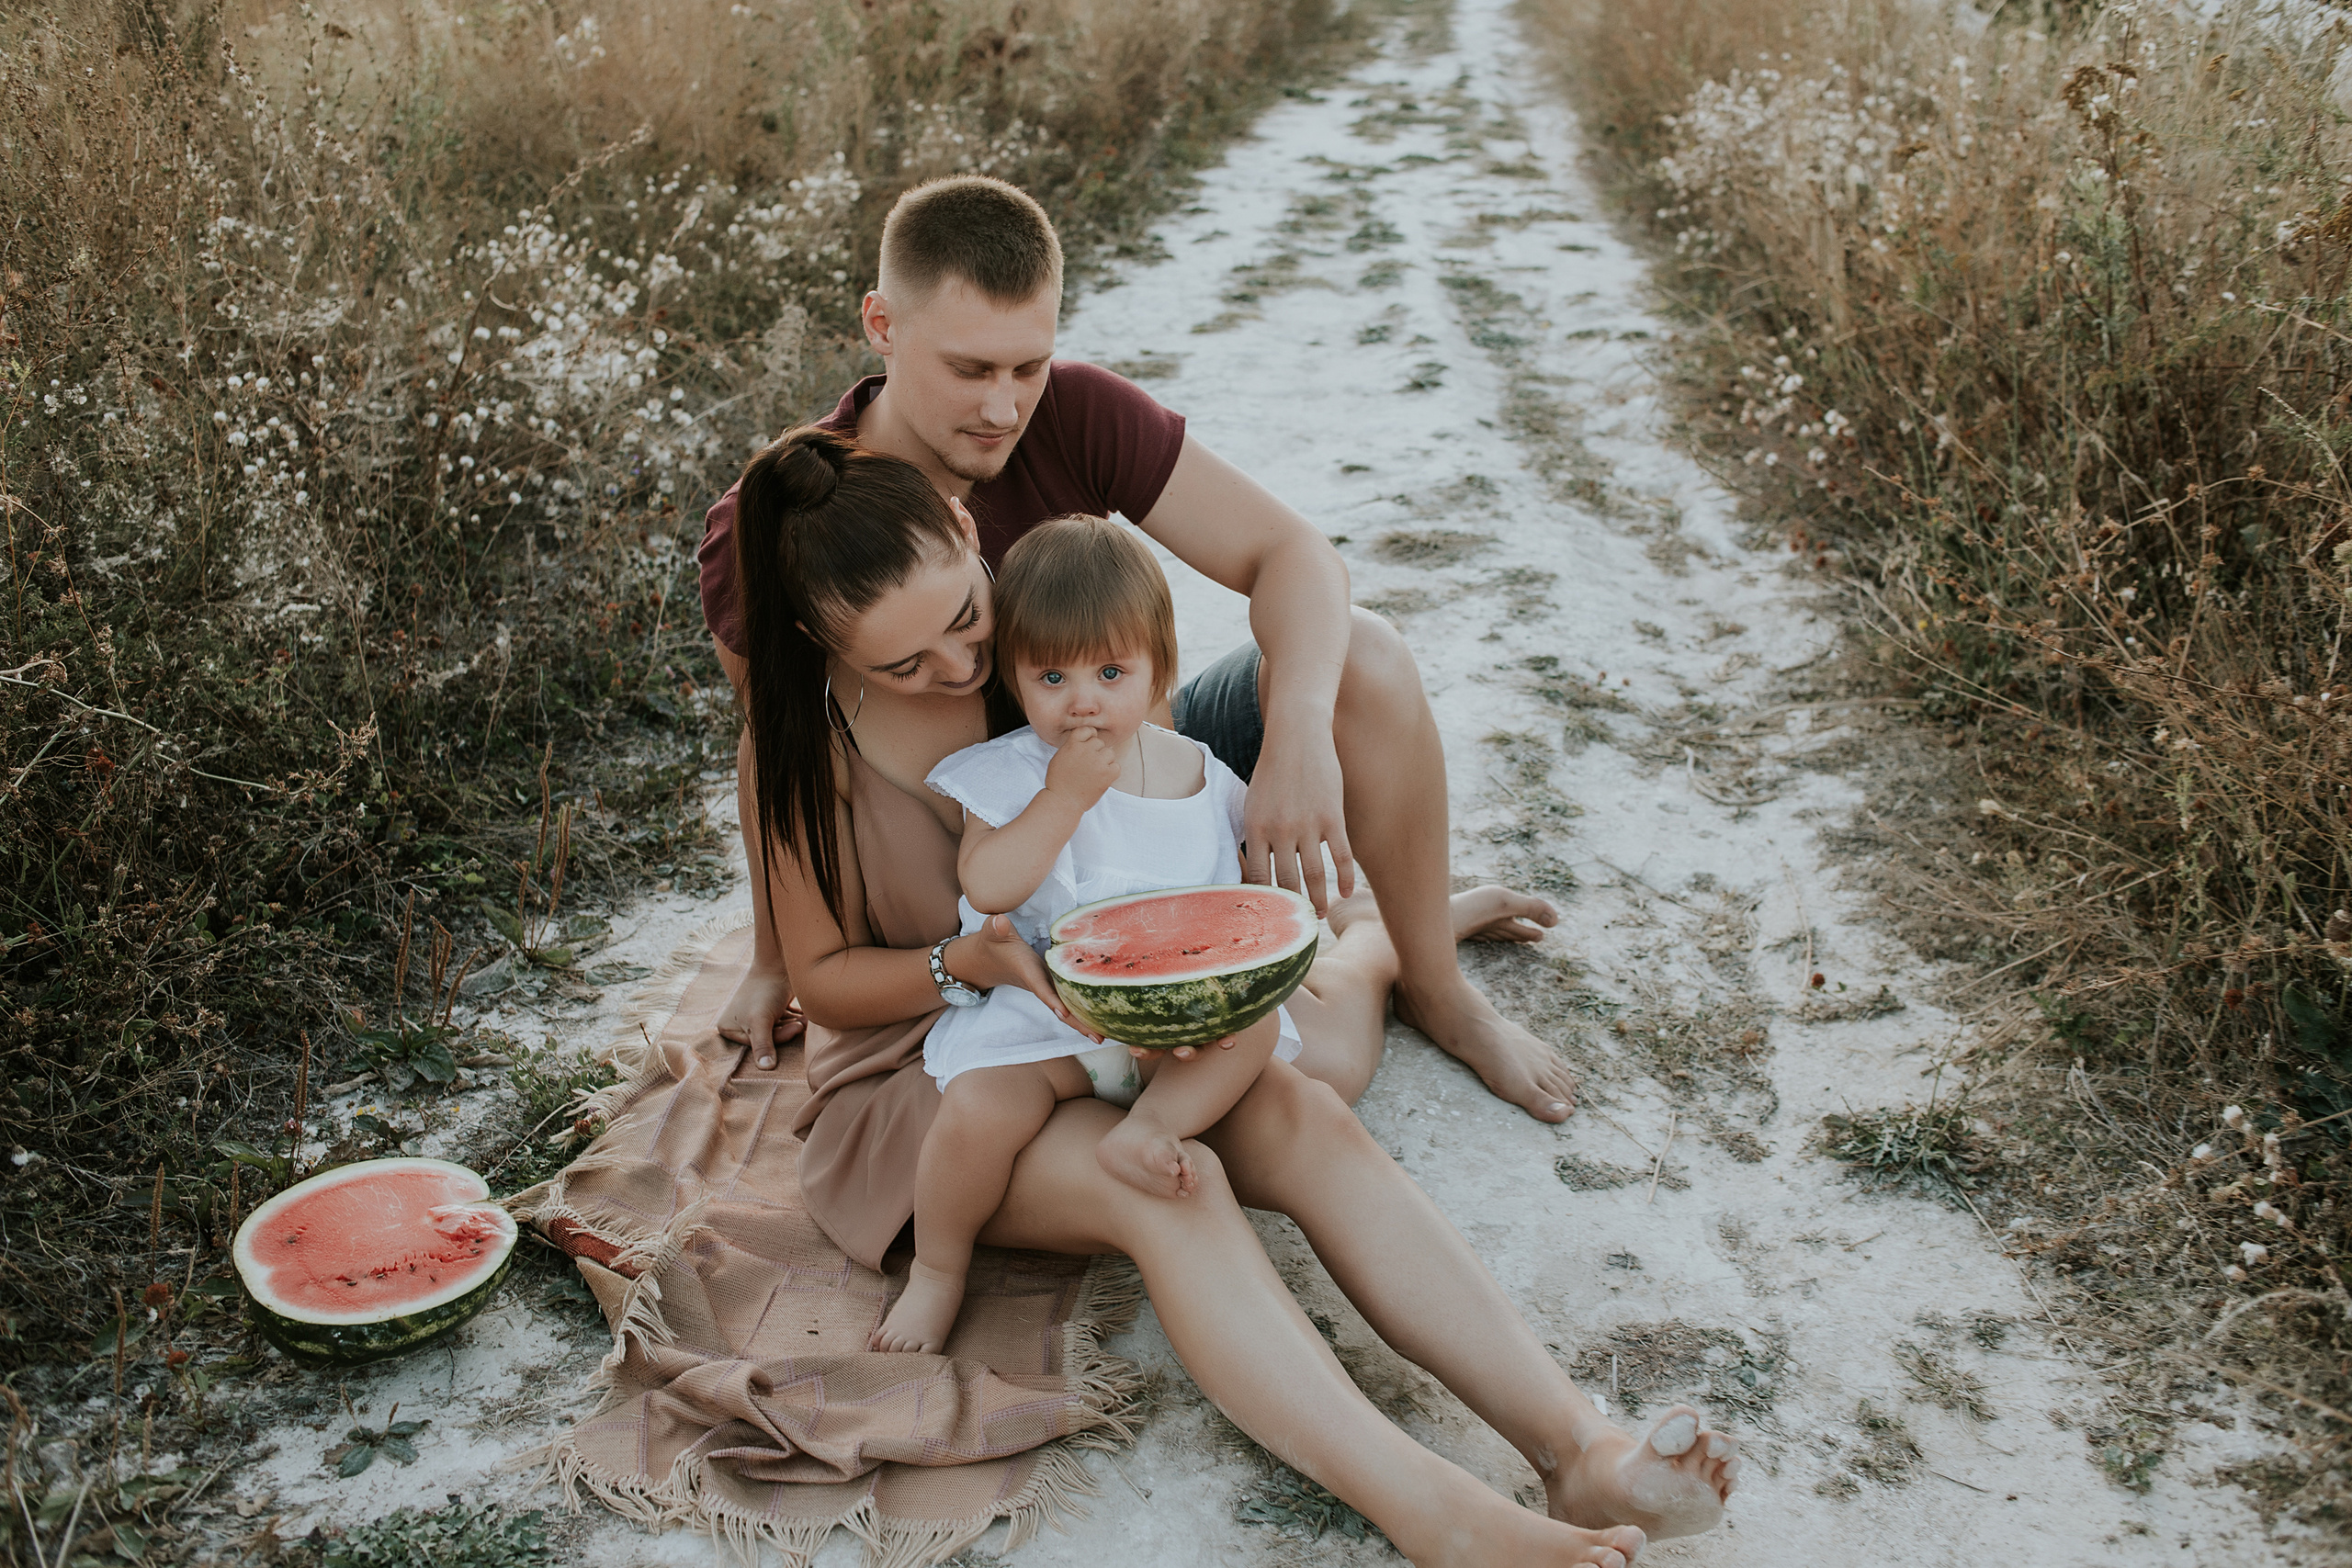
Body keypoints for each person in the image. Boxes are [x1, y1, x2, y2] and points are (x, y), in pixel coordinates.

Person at [729, 424, 1739, 1566]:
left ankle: (1578, 1451)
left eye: (965, 625)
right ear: (821, 639)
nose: (958, 670)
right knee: (1175, 1182)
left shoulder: (1040, 642)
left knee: (1311, 1105)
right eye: (902, 666)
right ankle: (1431, 1510)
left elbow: (1143, 843)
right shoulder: (794, 747)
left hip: (1117, 1022)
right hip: (940, 1077)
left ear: (971, 540)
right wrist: (962, 965)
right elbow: (825, 985)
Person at [701, 174, 1584, 1123]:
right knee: (1281, 1081)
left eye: (1026, 366)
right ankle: (1369, 935)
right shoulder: (782, 533)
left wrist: (1294, 741)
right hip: (1001, 852)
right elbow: (782, 760)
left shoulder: (1072, 414)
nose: (1004, 409)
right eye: (969, 370)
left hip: (1138, 777)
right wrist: (771, 961)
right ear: (881, 325)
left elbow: (1295, 557)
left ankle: (1436, 985)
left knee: (1361, 660)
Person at [874, 515, 1298, 1354]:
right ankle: (938, 1271)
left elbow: (1237, 906)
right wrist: (1062, 797)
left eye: (1112, 670)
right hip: (1046, 1031)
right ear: (1018, 682)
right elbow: (988, 884)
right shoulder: (1011, 771)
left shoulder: (1206, 779)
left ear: (1158, 669)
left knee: (1255, 1025)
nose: (1084, 699)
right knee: (972, 1116)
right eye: (1052, 675)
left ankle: (1151, 1129)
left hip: (1170, 1034)